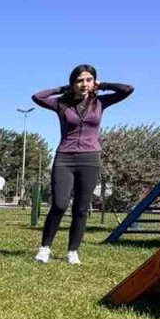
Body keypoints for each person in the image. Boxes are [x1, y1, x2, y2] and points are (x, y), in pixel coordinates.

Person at [31, 64, 133, 265]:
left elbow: (127, 89)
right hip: (65, 158)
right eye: (79, 80)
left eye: (88, 80)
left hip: (90, 159)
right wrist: (62, 89)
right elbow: (38, 97)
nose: (84, 84)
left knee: (81, 208)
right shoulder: (62, 104)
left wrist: (102, 85)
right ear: (73, 83)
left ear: (93, 82)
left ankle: (73, 251)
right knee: (59, 205)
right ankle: (45, 248)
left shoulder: (100, 102)